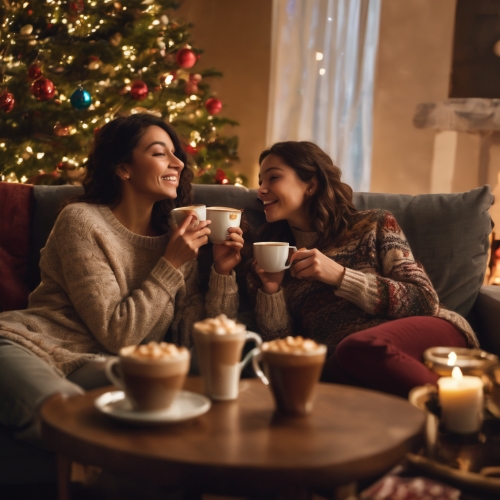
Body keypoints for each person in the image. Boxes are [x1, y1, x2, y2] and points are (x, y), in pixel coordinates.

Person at [0, 113, 243, 442]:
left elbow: (198, 344)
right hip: (26, 346)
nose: (177, 163)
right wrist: (170, 265)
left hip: (102, 367)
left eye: (176, 154)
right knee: (61, 411)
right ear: (123, 168)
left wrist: (221, 274)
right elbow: (119, 334)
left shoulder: (177, 239)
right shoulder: (81, 221)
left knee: (164, 397)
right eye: (159, 153)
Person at [248, 141, 478, 398]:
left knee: (358, 348)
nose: (261, 190)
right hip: (351, 361)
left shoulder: (373, 223)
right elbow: (283, 353)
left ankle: (457, 408)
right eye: (260, 181)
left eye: (273, 178)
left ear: (311, 184)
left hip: (428, 333)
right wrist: (272, 290)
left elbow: (424, 300)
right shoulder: (274, 257)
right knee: (329, 377)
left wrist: (339, 276)